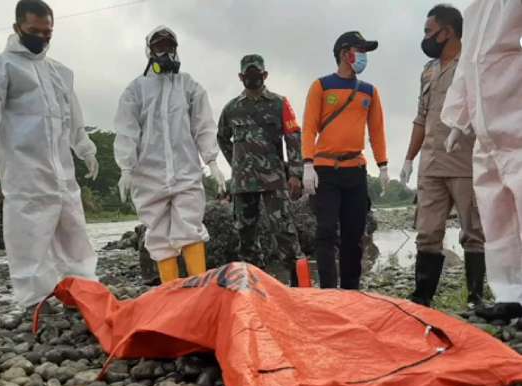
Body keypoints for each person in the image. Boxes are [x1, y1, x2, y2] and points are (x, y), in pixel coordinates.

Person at [0, 0, 99, 308]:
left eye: (47, 32)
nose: (41, 37)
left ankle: (83, 291)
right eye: (33, 31)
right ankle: (33, 301)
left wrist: (85, 149)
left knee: (73, 229)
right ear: (17, 28)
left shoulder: (60, 72)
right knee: (29, 234)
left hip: (62, 170)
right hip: (24, 168)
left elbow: (74, 117)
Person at [114, 26, 226, 284]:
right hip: (149, 174)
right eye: (159, 46)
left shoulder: (188, 85)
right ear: (149, 51)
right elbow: (126, 131)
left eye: (169, 46)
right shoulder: (136, 90)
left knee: (190, 227)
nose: (165, 51)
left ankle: (198, 289)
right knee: (158, 234)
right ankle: (171, 294)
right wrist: (125, 168)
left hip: (186, 171)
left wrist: (212, 161)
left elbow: (203, 126)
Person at [441, 0, 522, 321]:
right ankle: (511, 293)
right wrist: (458, 121)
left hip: (515, 114)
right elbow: (467, 67)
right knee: (495, 210)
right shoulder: (475, 11)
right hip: (486, 130)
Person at [401, 5, 486, 308]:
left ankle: (476, 298)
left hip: (466, 161)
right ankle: (423, 296)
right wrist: (409, 159)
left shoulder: (473, 64)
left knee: (474, 231)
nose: (425, 38)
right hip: (432, 161)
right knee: (427, 231)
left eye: (429, 31)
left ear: (447, 31)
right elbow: (421, 118)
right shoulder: (428, 70)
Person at [302, 31, 389, 290]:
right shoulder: (322, 86)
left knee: (354, 233)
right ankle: (328, 290)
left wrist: (383, 165)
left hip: (355, 170)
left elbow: (377, 130)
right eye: (359, 50)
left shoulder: (369, 92)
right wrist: (308, 163)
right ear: (343, 53)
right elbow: (309, 127)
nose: (362, 56)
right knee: (326, 231)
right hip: (325, 170)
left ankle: (351, 289)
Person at [217, 54, 304, 286]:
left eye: (257, 74)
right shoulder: (231, 109)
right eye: (248, 74)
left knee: (284, 231)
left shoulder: (279, 103)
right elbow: (223, 138)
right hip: (243, 184)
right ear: (240, 77)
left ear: (265, 75)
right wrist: (236, 163)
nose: (253, 78)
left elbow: (293, 137)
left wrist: (295, 173)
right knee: (245, 234)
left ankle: (300, 284)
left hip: (274, 179)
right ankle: (255, 285)